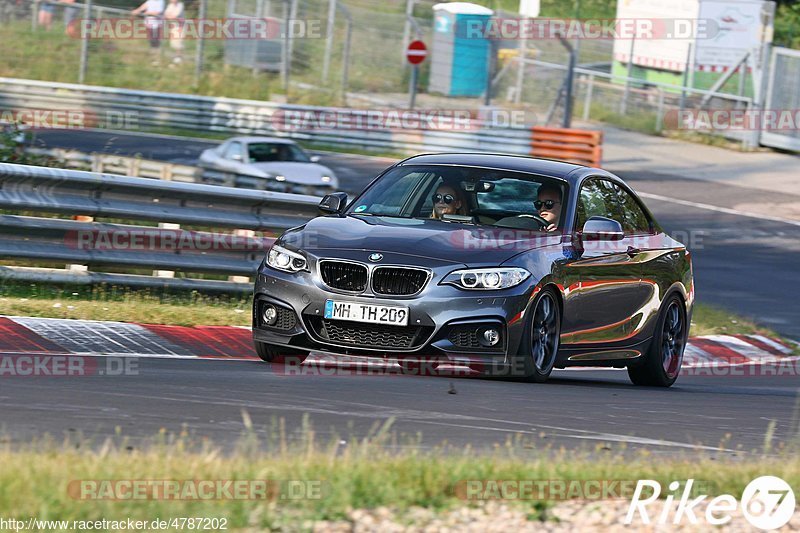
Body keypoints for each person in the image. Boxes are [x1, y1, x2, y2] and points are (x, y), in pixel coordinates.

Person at [163, 0, 184, 65]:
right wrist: (170, 17)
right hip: (173, 26)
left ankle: (179, 57)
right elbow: (165, 14)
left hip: (180, 26)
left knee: (178, 42)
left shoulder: (180, 5)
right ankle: (177, 56)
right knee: (173, 42)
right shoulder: (170, 5)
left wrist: (169, 16)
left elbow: (175, 16)